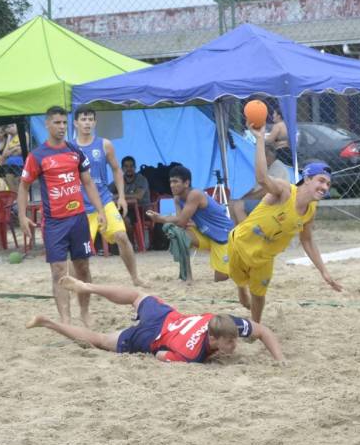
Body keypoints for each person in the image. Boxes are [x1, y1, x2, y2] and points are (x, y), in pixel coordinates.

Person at [26, 275, 285, 363]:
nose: (234, 345)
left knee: (138, 294)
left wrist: (280, 359)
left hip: (169, 318)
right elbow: (161, 356)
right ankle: (48, 322)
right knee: (103, 340)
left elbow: (263, 331)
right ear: (213, 338)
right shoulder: (191, 354)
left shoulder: (226, 321)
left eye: (234, 340)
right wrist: (208, 358)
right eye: (229, 343)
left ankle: (88, 287)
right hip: (153, 336)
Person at [229, 124, 342, 323]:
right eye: (321, 180)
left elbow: (307, 241)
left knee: (259, 294)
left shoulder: (310, 210)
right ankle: (240, 287)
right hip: (241, 244)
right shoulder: (284, 191)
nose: (324, 187)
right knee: (237, 278)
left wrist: (323, 271)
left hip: (265, 256)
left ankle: (256, 327)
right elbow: (262, 178)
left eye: (327, 184)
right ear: (306, 179)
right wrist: (260, 139)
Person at [18, 105, 107, 328]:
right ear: (47, 124)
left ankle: (85, 312)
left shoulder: (75, 151)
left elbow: (88, 182)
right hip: (54, 223)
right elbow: (23, 186)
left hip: (78, 219)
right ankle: (65, 320)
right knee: (58, 270)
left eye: (64, 123)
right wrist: (22, 215)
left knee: (83, 268)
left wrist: (101, 210)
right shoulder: (37, 156)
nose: (61, 127)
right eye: (57, 123)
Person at [73, 105, 145, 286]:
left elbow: (116, 170)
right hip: (81, 205)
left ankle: (135, 277)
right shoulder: (69, 147)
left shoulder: (104, 144)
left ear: (95, 122)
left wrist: (120, 196)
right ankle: (78, 284)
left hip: (104, 200)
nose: (87, 123)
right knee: (80, 253)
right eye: (83, 119)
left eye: (90, 119)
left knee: (121, 236)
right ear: (75, 123)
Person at [146, 165, 234, 282]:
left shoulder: (195, 194)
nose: (172, 185)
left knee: (221, 279)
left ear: (186, 183)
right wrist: (169, 222)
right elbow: (181, 224)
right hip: (205, 234)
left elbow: (181, 220)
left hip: (223, 237)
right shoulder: (177, 198)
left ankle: (237, 264)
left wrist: (160, 218)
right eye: (171, 181)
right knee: (177, 233)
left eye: (175, 181)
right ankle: (187, 276)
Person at [230, 142, 289, 224]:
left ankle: (246, 234)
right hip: (262, 201)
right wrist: (243, 197)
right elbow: (254, 189)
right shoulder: (266, 168)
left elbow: (267, 191)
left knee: (238, 206)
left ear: (268, 156)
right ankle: (234, 232)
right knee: (231, 203)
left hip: (272, 204)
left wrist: (247, 198)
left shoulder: (278, 168)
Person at [119, 155, 151, 239]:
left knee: (124, 220)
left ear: (135, 167)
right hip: (127, 209)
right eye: (126, 166)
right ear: (122, 168)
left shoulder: (141, 179)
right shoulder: (120, 180)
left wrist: (120, 196)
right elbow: (107, 192)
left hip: (142, 210)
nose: (129, 169)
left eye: (131, 166)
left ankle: (131, 244)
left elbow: (138, 196)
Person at [0, 123, 24, 190]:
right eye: (9, 127)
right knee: (10, 183)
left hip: (20, 163)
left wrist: (10, 150)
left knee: (19, 184)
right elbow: (4, 154)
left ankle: (21, 198)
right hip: (8, 164)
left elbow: (20, 151)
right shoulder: (9, 138)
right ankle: (15, 198)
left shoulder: (23, 135)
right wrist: (15, 148)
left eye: (13, 126)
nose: (11, 128)